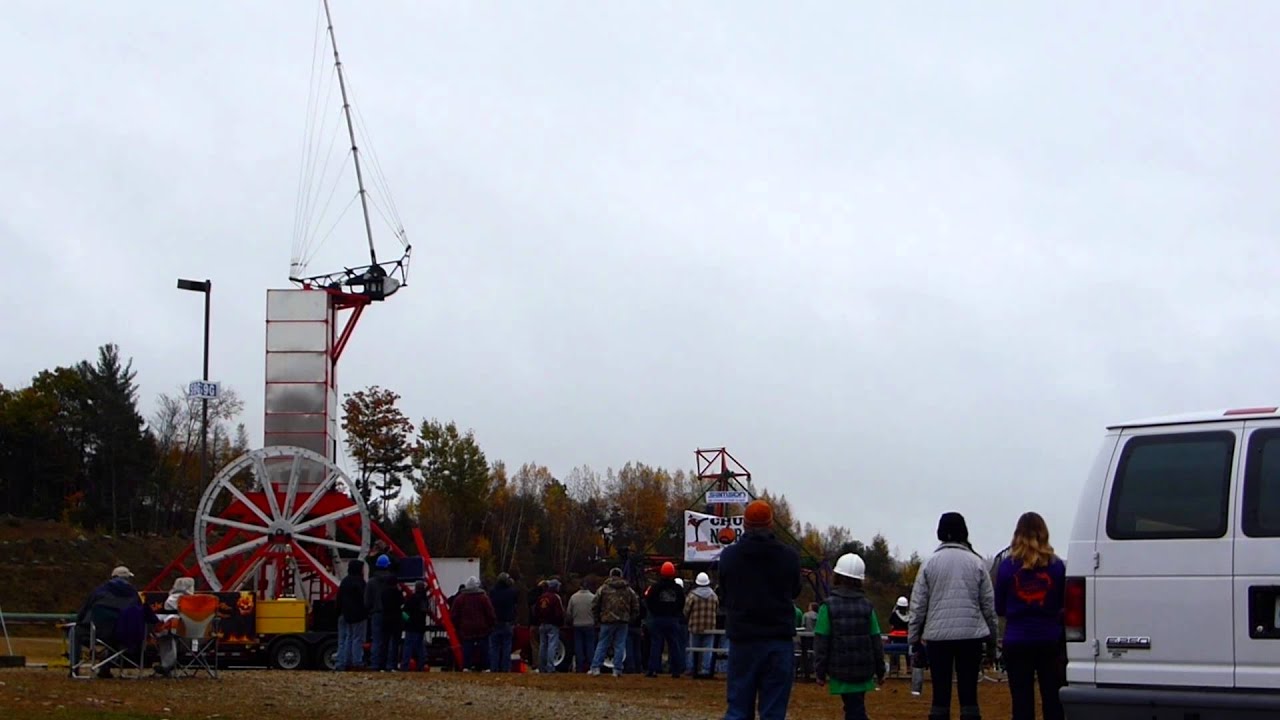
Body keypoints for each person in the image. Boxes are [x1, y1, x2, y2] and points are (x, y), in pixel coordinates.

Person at [909, 512, 998, 720]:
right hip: (971, 636)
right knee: (969, 695)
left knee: (940, 695)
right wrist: (992, 641)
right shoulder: (976, 563)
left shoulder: (929, 564)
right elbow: (988, 606)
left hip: (937, 638)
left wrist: (914, 639)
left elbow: (918, 606)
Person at [718, 499, 802, 720]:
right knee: (773, 712)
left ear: (744, 524)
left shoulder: (729, 557)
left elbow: (725, 593)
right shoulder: (789, 557)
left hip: (743, 640)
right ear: (771, 524)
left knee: (738, 710)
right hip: (778, 640)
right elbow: (795, 590)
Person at [995, 512, 1067, 720]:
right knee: (1053, 702)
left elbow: (999, 608)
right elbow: (1063, 604)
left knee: (1022, 704)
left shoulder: (1007, 567)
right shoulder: (1056, 566)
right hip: (1049, 640)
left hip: (1017, 641)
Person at [815, 553, 886, 720]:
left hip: (840, 669)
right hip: (864, 669)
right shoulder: (867, 606)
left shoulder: (827, 607)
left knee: (854, 710)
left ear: (837, 576)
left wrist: (819, 671)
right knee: (855, 707)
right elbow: (876, 640)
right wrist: (881, 670)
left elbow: (821, 642)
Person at [71, 566, 156, 678]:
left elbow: (84, 609)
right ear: (127, 579)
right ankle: (105, 668)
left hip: (98, 633)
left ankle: (74, 668)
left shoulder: (99, 591)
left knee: (74, 632)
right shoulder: (134, 594)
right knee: (114, 635)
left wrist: (79, 622)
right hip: (124, 634)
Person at [589, 567, 640, 677]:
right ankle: (617, 669)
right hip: (623, 621)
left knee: (602, 644)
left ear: (610, 575)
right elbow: (636, 604)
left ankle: (596, 668)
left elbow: (595, 604)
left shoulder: (603, 588)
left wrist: (597, 618)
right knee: (620, 645)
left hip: (607, 620)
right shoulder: (628, 589)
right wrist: (631, 618)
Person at [645, 561, 686, 678]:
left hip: (658, 619)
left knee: (656, 644)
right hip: (672, 619)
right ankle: (676, 670)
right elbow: (682, 603)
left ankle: (653, 669)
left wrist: (655, 612)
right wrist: (675, 613)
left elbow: (649, 601)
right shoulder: (677, 589)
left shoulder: (655, 587)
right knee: (674, 644)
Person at [452, 575, 496, 670]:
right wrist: (491, 625)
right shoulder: (483, 598)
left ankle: (466, 667)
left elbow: (455, 615)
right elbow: (490, 613)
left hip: (466, 629)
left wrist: (457, 627)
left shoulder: (460, 599)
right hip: (482, 628)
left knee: (467, 649)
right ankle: (485, 668)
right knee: (484, 650)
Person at [155, 577, 195, 676]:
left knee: (167, 636)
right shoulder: (197, 601)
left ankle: (167, 664)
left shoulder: (172, 599)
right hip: (199, 636)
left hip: (179, 632)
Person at [365, 554, 398, 671]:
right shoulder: (392, 581)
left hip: (376, 613)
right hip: (390, 614)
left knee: (376, 640)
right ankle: (389, 665)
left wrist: (370, 610)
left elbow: (367, 601)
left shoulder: (371, 582)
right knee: (390, 640)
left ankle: (375, 664)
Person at [684, 571, 720, 678]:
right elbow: (716, 609)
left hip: (695, 626)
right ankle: (705, 670)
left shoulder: (692, 595)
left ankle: (691, 668)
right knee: (707, 650)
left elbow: (686, 610)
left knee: (693, 648)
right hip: (710, 626)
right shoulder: (714, 596)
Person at [336, 559, 367, 671]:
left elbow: (339, 598)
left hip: (344, 614)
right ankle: (356, 662)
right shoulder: (360, 582)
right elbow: (365, 599)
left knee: (344, 639)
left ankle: (342, 662)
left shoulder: (345, 581)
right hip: (358, 615)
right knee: (357, 638)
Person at [534, 579, 566, 673]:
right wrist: (560, 623)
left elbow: (536, 611)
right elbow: (559, 612)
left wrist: (539, 621)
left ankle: (542, 667)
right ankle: (550, 667)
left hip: (542, 624)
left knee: (542, 645)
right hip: (552, 625)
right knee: (552, 645)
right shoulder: (555, 598)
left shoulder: (541, 597)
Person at [488, 572, 519, 672]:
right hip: (507, 622)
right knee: (507, 647)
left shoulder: (492, 592)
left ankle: (494, 668)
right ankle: (506, 668)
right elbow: (516, 604)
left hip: (495, 622)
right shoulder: (512, 592)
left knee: (494, 647)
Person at [565, 580, 597, 672]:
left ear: (580, 587)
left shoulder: (573, 597)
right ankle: (591, 666)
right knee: (590, 645)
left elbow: (569, 613)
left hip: (577, 624)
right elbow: (597, 611)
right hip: (590, 624)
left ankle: (579, 666)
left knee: (578, 646)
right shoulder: (593, 597)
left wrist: (570, 621)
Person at [401, 581, 432, 671]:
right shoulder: (425, 600)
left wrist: (406, 621)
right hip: (421, 626)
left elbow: (404, 612)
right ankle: (421, 665)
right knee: (419, 646)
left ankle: (405, 666)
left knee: (408, 647)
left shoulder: (412, 599)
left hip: (411, 626)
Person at [887, 596, 911, 674]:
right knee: (908, 651)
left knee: (895, 651)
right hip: (905, 637)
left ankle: (895, 667)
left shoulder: (894, 615)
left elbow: (891, 622)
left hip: (896, 636)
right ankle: (909, 667)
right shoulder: (909, 615)